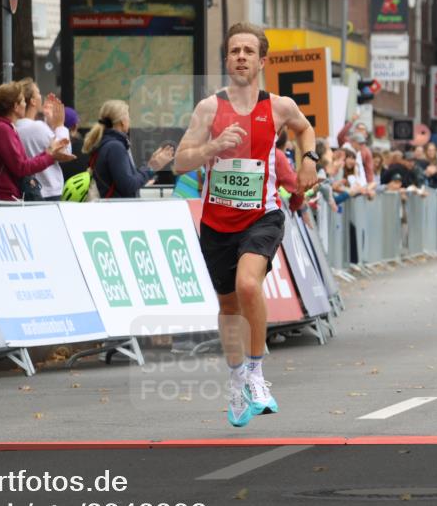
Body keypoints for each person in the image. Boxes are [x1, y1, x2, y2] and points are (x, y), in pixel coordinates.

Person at [174, 22, 317, 428]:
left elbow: (305, 129)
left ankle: (256, 373)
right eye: (234, 50)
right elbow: (182, 160)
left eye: (248, 51)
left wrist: (310, 161)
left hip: (262, 215)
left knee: (248, 284)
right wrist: (211, 147)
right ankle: (236, 379)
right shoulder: (208, 108)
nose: (241, 56)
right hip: (217, 221)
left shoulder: (278, 106)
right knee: (227, 305)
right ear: (227, 59)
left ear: (261, 61)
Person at [0, 81, 73, 201]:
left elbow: (21, 164)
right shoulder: (2, 129)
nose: (25, 104)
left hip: (9, 195)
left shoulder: (6, 127)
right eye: (23, 101)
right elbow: (21, 167)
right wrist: (50, 155)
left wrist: (49, 152)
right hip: (6, 198)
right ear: (16, 107)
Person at [82, 100, 175, 199]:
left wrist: (149, 166)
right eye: (128, 116)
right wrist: (152, 167)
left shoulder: (105, 143)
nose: (130, 120)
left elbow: (123, 181)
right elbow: (128, 186)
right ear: (122, 121)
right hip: (119, 210)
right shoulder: (115, 147)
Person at [15, 78, 70, 201]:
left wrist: (50, 123)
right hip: (48, 191)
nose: (42, 97)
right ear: (33, 101)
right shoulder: (38, 127)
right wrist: (59, 125)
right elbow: (65, 151)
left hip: (26, 191)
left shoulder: (14, 127)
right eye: (38, 93)